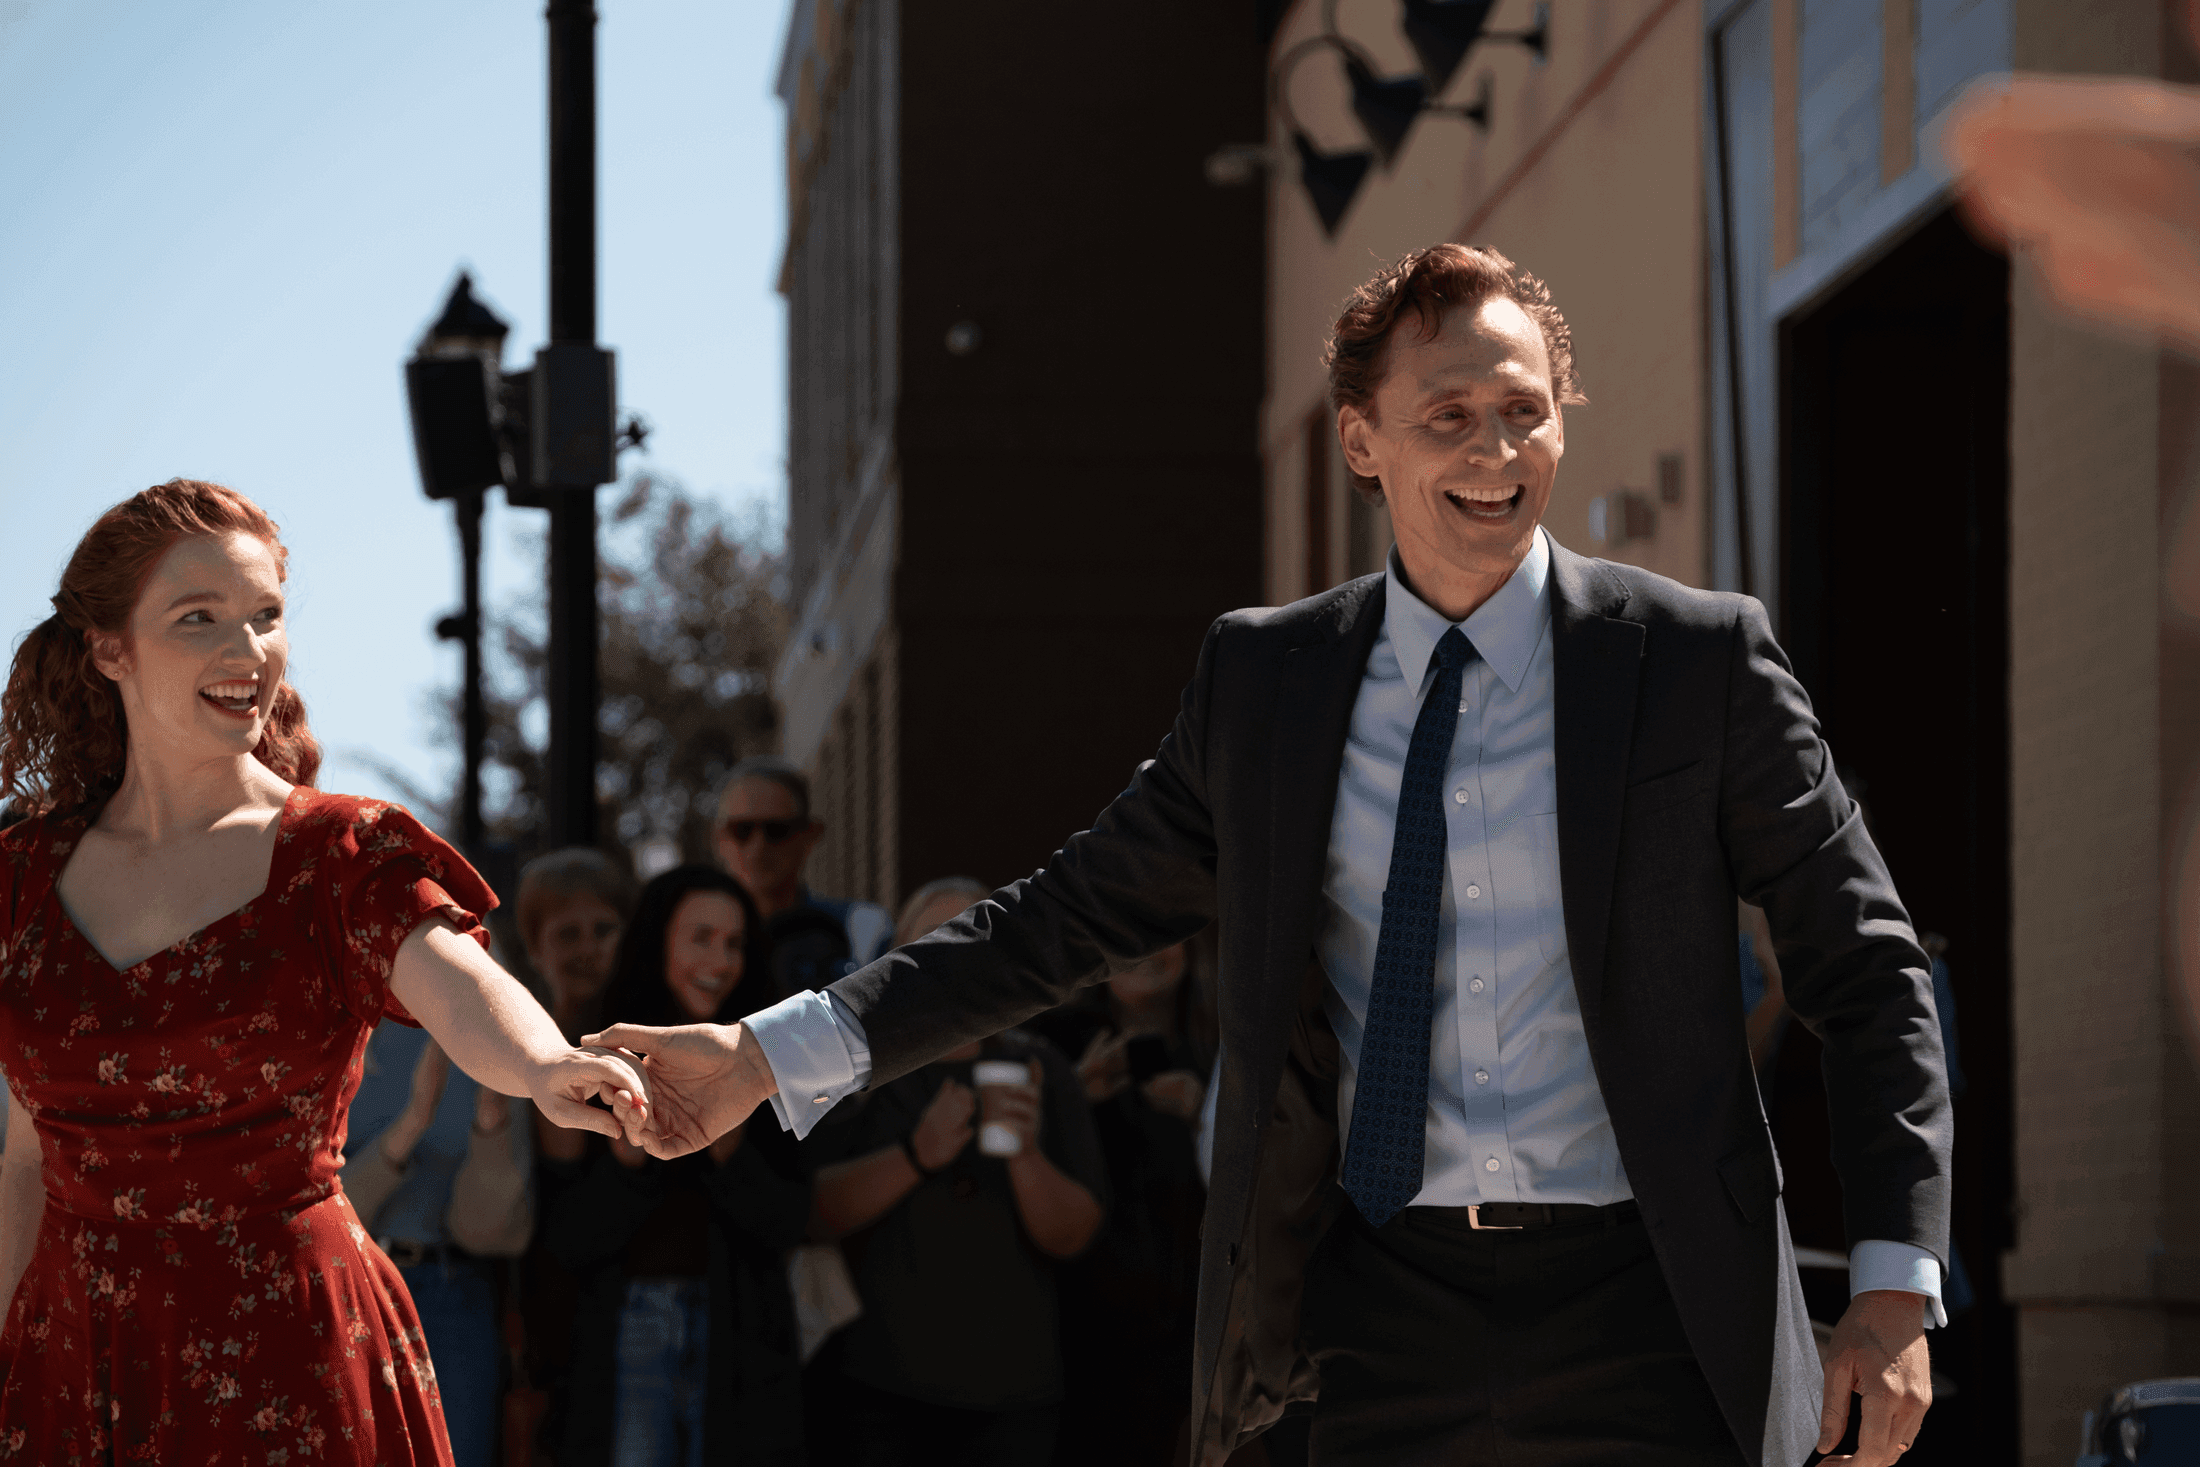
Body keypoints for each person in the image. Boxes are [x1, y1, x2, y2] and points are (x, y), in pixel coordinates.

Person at [596, 248, 1953, 1467]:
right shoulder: (1267, 684)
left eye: (1524, 409)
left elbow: (1865, 965)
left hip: (1656, 1307)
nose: (1496, 448)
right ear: (1362, 440)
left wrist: (1894, 1281)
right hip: (1373, 1315)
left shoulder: (1697, 662)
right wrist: (765, 1056)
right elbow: (1058, 921)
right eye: (1447, 415)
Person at [0, 479, 651, 1463]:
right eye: (198, 617)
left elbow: (455, 975)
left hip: (288, 1352)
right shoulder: (21, 878)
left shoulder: (337, 855)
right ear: (108, 649)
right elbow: (23, 1159)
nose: (247, 649)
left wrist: (545, 1063)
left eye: (265, 616)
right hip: (77, 1356)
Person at [806, 877, 1105, 1467]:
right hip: (879, 1393)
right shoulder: (860, 1076)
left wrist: (1026, 1153)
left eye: (973, 937)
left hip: (1014, 1400)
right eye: (932, 941)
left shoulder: (1040, 1069)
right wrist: (917, 1155)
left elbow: (1076, 1237)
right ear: (895, 961)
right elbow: (811, 1215)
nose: (953, 958)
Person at [544, 864, 808, 1467]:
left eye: (734, 943)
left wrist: (727, 1136)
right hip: (625, 1332)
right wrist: (626, 1157)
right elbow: (564, 1239)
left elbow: (790, 1222)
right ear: (656, 941)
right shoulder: (591, 1052)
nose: (720, 960)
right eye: (701, 938)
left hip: (740, 1339)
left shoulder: (775, 1060)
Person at [1026, 941, 1213, 1465]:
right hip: (1075, 1335)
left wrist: (1206, 1117)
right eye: (1131, 930)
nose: (1147, 948)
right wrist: (1075, 1093)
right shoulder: (1051, 1039)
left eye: (1166, 933)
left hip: (1186, 1335)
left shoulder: (1221, 1050)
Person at [343, 1033, 536, 1467]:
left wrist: (491, 1125)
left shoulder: (495, 1037)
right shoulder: (345, 1032)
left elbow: (499, 1236)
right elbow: (316, 1215)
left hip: (455, 1299)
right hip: (353, 1292)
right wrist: (414, 1122)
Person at [712, 756, 891, 991]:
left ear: (810, 835)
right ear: (717, 838)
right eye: (742, 830)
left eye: (777, 830)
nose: (758, 847)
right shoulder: (684, 944)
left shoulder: (861, 932)